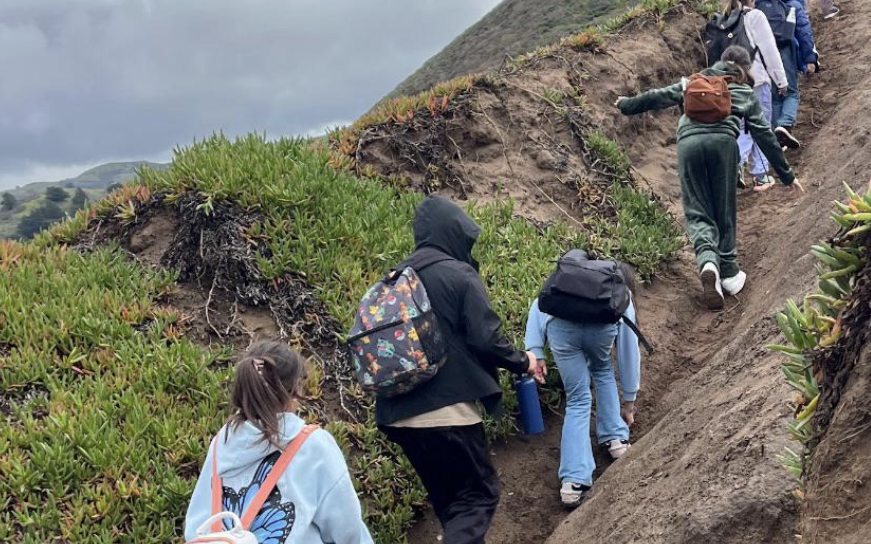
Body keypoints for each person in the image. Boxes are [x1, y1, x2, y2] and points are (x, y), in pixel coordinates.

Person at [376, 196, 544, 544]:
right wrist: (524, 361)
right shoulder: (457, 273)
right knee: (477, 499)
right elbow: (486, 339)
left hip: (397, 415)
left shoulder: (393, 281)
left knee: (454, 508)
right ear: (453, 232)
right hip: (447, 411)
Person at [616, 45, 801, 309]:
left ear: (719, 62)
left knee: (698, 211)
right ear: (745, 69)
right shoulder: (743, 92)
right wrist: (787, 175)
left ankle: (708, 264)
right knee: (723, 210)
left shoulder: (692, 82)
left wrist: (625, 105)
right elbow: (764, 134)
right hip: (723, 145)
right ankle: (729, 273)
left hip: (689, 145)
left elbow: (657, 97)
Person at [185, 340, 375, 544]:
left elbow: (198, 526)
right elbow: (347, 530)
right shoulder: (313, 445)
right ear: (295, 389)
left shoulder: (222, 443)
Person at [524, 262, 642, 509]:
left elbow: (538, 304)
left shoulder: (567, 280)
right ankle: (615, 438)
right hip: (601, 332)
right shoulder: (620, 292)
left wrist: (536, 351)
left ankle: (573, 481)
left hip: (559, 327)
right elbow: (628, 351)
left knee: (578, 397)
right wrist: (629, 401)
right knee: (602, 368)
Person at [718, 0, 787, 190]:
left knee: (742, 128)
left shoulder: (723, 19)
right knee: (761, 127)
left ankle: (736, 168)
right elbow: (769, 50)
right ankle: (759, 174)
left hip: (730, 83)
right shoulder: (755, 16)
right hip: (756, 80)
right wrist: (781, 80)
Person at [756, 0, 819, 147]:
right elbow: (804, 33)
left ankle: (777, 137)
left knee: (775, 96)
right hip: (786, 51)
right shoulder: (792, 3)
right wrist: (810, 59)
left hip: (764, 55)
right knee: (791, 92)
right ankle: (785, 124)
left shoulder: (756, 7)